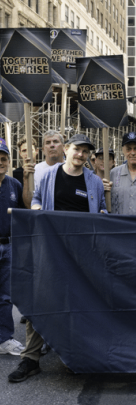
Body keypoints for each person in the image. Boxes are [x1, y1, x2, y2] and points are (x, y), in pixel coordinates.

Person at [8, 134, 106, 383]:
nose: (81, 155)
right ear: (67, 150)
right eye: (77, 149)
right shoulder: (49, 176)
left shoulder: (93, 181)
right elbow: (36, 200)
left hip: (82, 254)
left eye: (85, 152)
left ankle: (72, 356)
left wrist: (103, 213)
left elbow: (102, 208)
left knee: (77, 304)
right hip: (51, 251)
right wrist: (37, 210)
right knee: (41, 301)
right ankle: (30, 359)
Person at [0, 139, 29, 357]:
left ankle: (5, 339)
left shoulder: (14, 185)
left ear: (9, 161)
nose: (0, 162)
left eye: (3, 158)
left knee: (6, 297)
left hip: (8, 245)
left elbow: (22, 213)